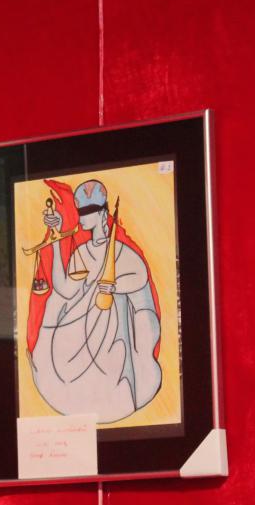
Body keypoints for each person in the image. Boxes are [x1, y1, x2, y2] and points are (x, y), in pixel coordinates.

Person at [31, 179, 162, 423]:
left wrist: (115, 287)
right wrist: (57, 239)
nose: (80, 218)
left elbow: (140, 278)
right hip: (81, 334)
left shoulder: (122, 252)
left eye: (86, 213)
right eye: (79, 212)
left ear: (101, 213)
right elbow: (65, 289)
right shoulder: (81, 252)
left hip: (115, 337)